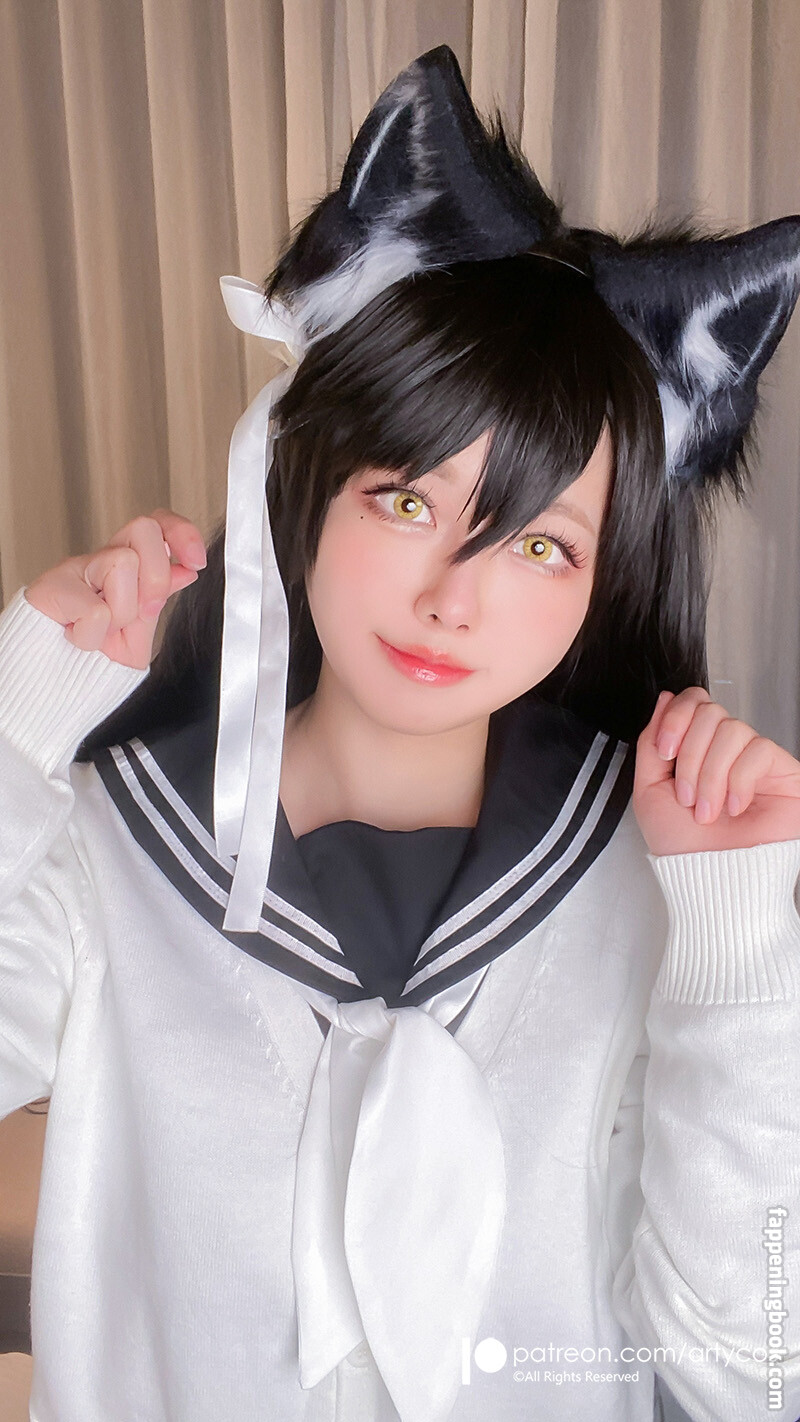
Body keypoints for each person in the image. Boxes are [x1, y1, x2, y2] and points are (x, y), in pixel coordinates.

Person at [1, 42, 800, 1422]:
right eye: (409, 502)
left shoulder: (651, 888)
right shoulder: (105, 848)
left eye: (541, 545)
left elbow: (753, 1369)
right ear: (306, 482)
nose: (454, 599)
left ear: (604, 580)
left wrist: (737, 956)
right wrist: (17, 729)